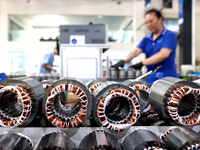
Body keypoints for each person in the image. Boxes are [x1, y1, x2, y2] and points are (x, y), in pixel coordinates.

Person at [112, 8, 178, 82]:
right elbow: (136, 51)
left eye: (151, 21)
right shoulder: (147, 38)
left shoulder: (169, 35)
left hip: (168, 78)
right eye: (146, 22)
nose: (148, 24)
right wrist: (123, 61)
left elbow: (163, 54)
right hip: (151, 77)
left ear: (160, 19)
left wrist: (142, 63)